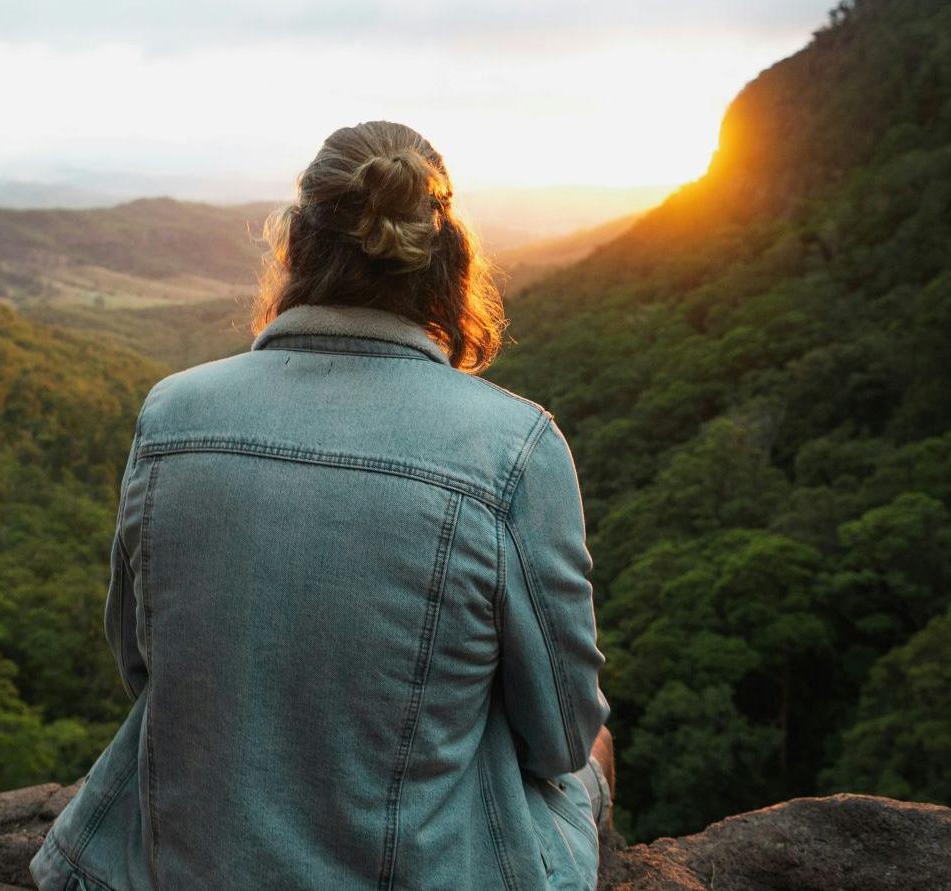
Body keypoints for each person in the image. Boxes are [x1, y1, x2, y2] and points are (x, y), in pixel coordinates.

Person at [31, 120, 613, 891]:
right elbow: (560, 737)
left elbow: (146, 667)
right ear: (445, 261)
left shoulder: (170, 415)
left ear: (298, 245)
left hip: (186, 864)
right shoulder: (515, 448)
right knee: (603, 743)